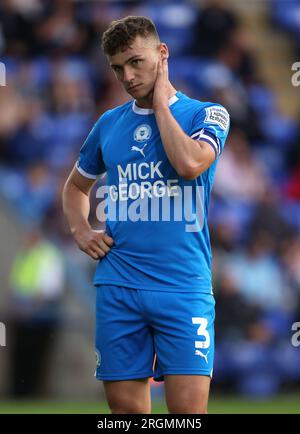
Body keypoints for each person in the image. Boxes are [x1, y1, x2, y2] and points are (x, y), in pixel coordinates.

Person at [62, 16, 230, 414]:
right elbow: (74, 187)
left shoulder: (207, 114)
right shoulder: (108, 125)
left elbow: (190, 163)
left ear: (162, 54)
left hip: (182, 286)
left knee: (188, 416)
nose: (128, 76)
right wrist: (81, 229)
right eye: (118, 68)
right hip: (119, 285)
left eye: (136, 62)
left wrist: (159, 106)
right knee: (126, 414)